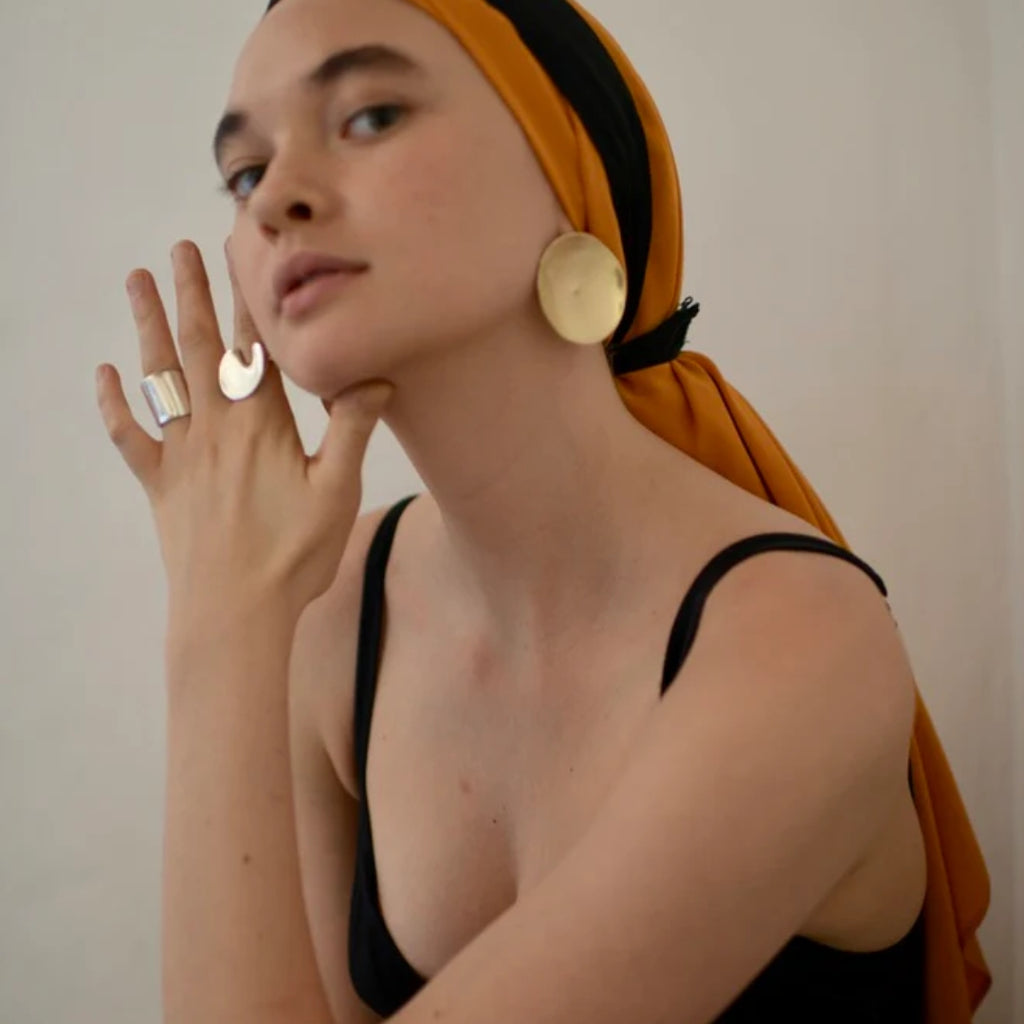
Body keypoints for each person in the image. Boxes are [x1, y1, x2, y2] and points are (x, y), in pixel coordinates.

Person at [94, 0, 991, 1021]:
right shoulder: (329, 612)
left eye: (371, 115)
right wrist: (237, 617)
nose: (274, 202)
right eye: (245, 172)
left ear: (571, 176)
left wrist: (216, 628)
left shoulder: (801, 643)